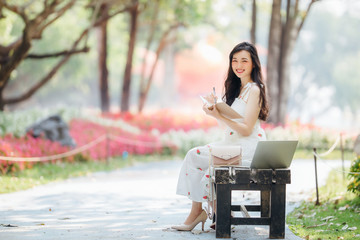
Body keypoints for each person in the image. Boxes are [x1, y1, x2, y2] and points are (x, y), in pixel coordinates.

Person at [171, 42, 269, 231]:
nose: (238, 65)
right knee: (194, 156)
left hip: (247, 149)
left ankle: (216, 212)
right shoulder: (237, 90)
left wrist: (217, 114)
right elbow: (230, 127)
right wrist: (215, 112)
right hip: (231, 144)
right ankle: (206, 212)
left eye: (244, 61)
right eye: (234, 60)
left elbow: (247, 129)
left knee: (201, 160)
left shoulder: (255, 89)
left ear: (254, 64)